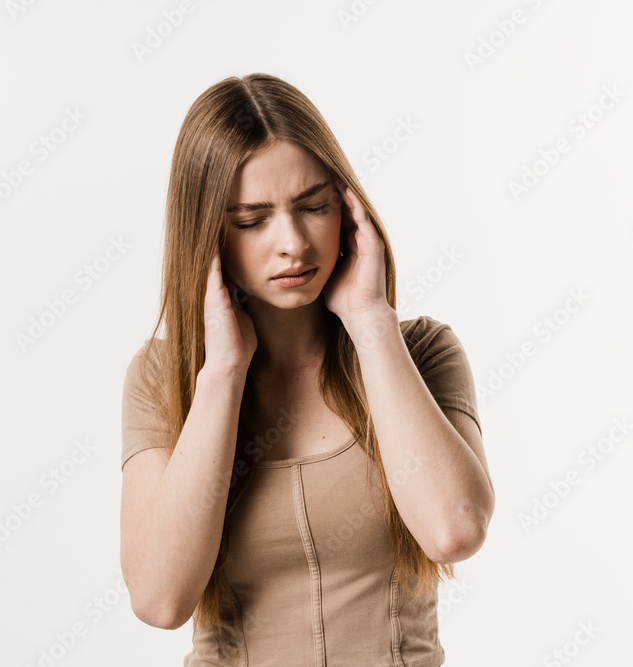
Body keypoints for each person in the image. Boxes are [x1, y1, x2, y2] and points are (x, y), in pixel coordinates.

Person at [119, 72, 494, 666]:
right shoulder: (160, 378)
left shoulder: (423, 352)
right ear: (207, 236)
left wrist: (370, 321)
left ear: (347, 213)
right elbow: (161, 600)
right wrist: (222, 373)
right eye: (251, 220)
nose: (292, 241)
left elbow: (456, 529)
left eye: (313, 206)